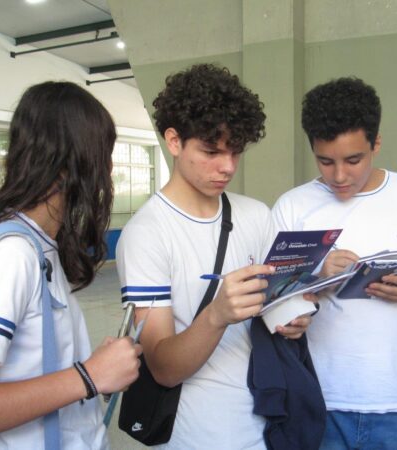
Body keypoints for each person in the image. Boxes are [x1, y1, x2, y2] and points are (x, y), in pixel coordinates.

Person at [0, 82, 142, 449]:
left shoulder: (38, 245)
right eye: (102, 153)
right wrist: (88, 376)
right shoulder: (10, 255)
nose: (108, 169)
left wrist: (97, 367)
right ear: (68, 161)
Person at [116, 64, 317, 449]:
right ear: (174, 141)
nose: (227, 167)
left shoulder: (255, 215)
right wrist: (217, 315)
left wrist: (294, 316)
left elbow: (279, 303)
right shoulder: (147, 234)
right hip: (198, 434)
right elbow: (163, 368)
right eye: (211, 151)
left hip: (268, 420)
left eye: (235, 152)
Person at [272, 77, 397, 450]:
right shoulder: (293, 206)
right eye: (325, 161)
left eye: (353, 160)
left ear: (376, 144)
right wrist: (317, 276)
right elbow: (271, 299)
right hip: (317, 397)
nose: (339, 176)